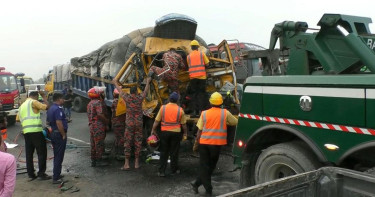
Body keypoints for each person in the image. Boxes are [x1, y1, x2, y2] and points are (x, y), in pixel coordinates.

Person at [190, 92, 238, 196]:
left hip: (204, 144)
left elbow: (199, 132)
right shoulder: (225, 113)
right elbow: (235, 122)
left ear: (210, 102)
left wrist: (196, 143)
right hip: (216, 145)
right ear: (221, 103)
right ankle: (208, 190)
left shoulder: (204, 113)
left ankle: (197, 183)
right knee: (210, 167)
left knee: (205, 167)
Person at [113, 77, 151, 170]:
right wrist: (148, 82)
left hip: (129, 123)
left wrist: (115, 82)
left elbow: (119, 91)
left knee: (128, 142)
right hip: (138, 123)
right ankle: (136, 163)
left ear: (130, 92)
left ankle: (127, 164)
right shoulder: (139, 98)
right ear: (137, 92)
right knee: (138, 141)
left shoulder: (127, 98)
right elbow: (145, 92)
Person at [151, 92, 187, 177]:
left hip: (164, 133)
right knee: (174, 152)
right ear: (177, 100)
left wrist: (153, 130)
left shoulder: (163, 108)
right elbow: (183, 124)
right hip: (176, 133)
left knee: (164, 152)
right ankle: (174, 170)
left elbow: (157, 121)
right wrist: (185, 133)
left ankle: (161, 171)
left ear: (169, 99)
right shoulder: (180, 110)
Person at [17, 91, 51, 181]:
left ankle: (31, 174)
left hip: (26, 132)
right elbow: (47, 107)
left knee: (29, 153)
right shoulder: (33, 102)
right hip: (36, 131)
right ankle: (41, 174)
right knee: (41, 152)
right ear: (35, 96)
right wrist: (44, 97)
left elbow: (17, 119)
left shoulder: (22, 106)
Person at [47, 93, 68, 184]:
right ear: (59, 99)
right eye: (63, 99)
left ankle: (57, 174)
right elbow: (59, 122)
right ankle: (56, 177)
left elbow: (48, 122)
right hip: (59, 134)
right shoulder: (57, 109)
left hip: (54, 133)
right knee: (59, 156)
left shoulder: (51, 108)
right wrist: (63, 134)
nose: (64, 100)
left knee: (57, 155)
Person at [186, 40, 210, 117]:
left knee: (194, 95)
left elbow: (189, 66)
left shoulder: (188, 56)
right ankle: (202, 111)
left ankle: (194, 112)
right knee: (202, 94)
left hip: (193, 78)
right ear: (197, 47)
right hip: (202, 77)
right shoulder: (201, 54)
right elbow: (207, 64)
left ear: (192, 47)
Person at [87, 87, 109, 167]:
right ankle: (99, 161)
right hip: (98, 125)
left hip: (92, 125)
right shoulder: (98, 102)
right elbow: (100, 114)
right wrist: (106, 121)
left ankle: (93, 160)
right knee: (99, 143)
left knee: (93, 143)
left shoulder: (90, 103)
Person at [111, 89, 126, 160]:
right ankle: (120, 154)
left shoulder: (115, 101)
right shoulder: (118, 102)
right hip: (120, 123)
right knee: (121, 139)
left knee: (118, 138)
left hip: (116, 123)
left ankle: (116, 153)